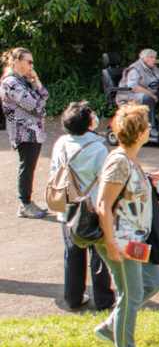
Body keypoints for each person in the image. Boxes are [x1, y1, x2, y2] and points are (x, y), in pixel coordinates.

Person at [93, 104, 159, 347]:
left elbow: (129, 189)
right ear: (140, 132)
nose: (150, 129)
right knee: (131, 294)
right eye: (147, 125)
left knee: (153, 281)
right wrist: (110, 243)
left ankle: (113, 326)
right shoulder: (119, 161)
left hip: (135, 239)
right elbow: (104, 204)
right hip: (120, 240)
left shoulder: (130, 158)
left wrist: (148, 178)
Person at [49, 101, 114, 311]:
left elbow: (54, 172)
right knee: (99, 254)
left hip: (68, 206)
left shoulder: (60, 143)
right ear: (87, 123)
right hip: (93, 208)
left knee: (73, 252)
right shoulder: (97, 148)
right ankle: (104, 299)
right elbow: (105, 180)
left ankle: (73, 298)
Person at [1, 48, 49, 218]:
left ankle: (27, 202)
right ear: (16, 61)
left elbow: (44, 95)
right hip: (24, 132)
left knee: (30, 166)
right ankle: (25, 204)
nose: (32, 65)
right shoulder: (11, 83)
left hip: (33, 131)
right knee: (27, 167)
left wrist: (35, 79)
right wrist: (40, 103)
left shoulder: (23, 80)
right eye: (29, 61)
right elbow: (36, 106)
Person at [115, 49, 159, 128]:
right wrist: (151, 94)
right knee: (148, 98)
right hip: (130, 95)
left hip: (148, 92)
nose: (154, 59)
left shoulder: (153, 68)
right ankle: (151, 127)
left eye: (155, 57)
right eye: (151, 57)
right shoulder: (135, 69)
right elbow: (133, 86)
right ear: (143, 58)